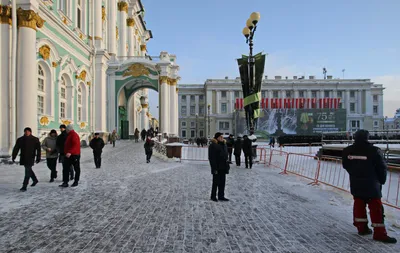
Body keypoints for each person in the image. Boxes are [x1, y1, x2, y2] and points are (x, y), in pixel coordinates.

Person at [342, 129, 397, 244]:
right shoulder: (374, 151)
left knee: (359, 205)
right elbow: (382, 168)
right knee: (376, 209)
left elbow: (345, 165)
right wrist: (381, 180)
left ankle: (362, 228)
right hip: (372, 185)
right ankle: (380, 234)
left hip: (356, 183)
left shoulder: (347, 151)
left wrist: (355, 173)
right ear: (367, 138)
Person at [12, 127, 41, 192]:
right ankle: (35, 180)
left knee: (27, 171)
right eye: (26, 131)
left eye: (28, 131)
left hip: (31, 157)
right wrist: (14, 156)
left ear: (30, 132)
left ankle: (24, 185)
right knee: (28, 169)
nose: (27, 132)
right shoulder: (20, 139)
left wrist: (38, 157)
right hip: (23, 157)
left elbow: (38, 150)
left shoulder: (35, 139)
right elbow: (16, 148)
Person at [208, 132, 230, 202]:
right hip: (217, 166)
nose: (222, 138)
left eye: (222, 137)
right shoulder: (213, 145)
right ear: (217, 138)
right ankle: (213, 196)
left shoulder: (224, 144)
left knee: (222, 182)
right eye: (220, 137)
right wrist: (214, 168)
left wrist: (227, 164)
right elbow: (212, 158)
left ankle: (221, 196)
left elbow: (225, 155)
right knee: (216, 182)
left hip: (223, 166)